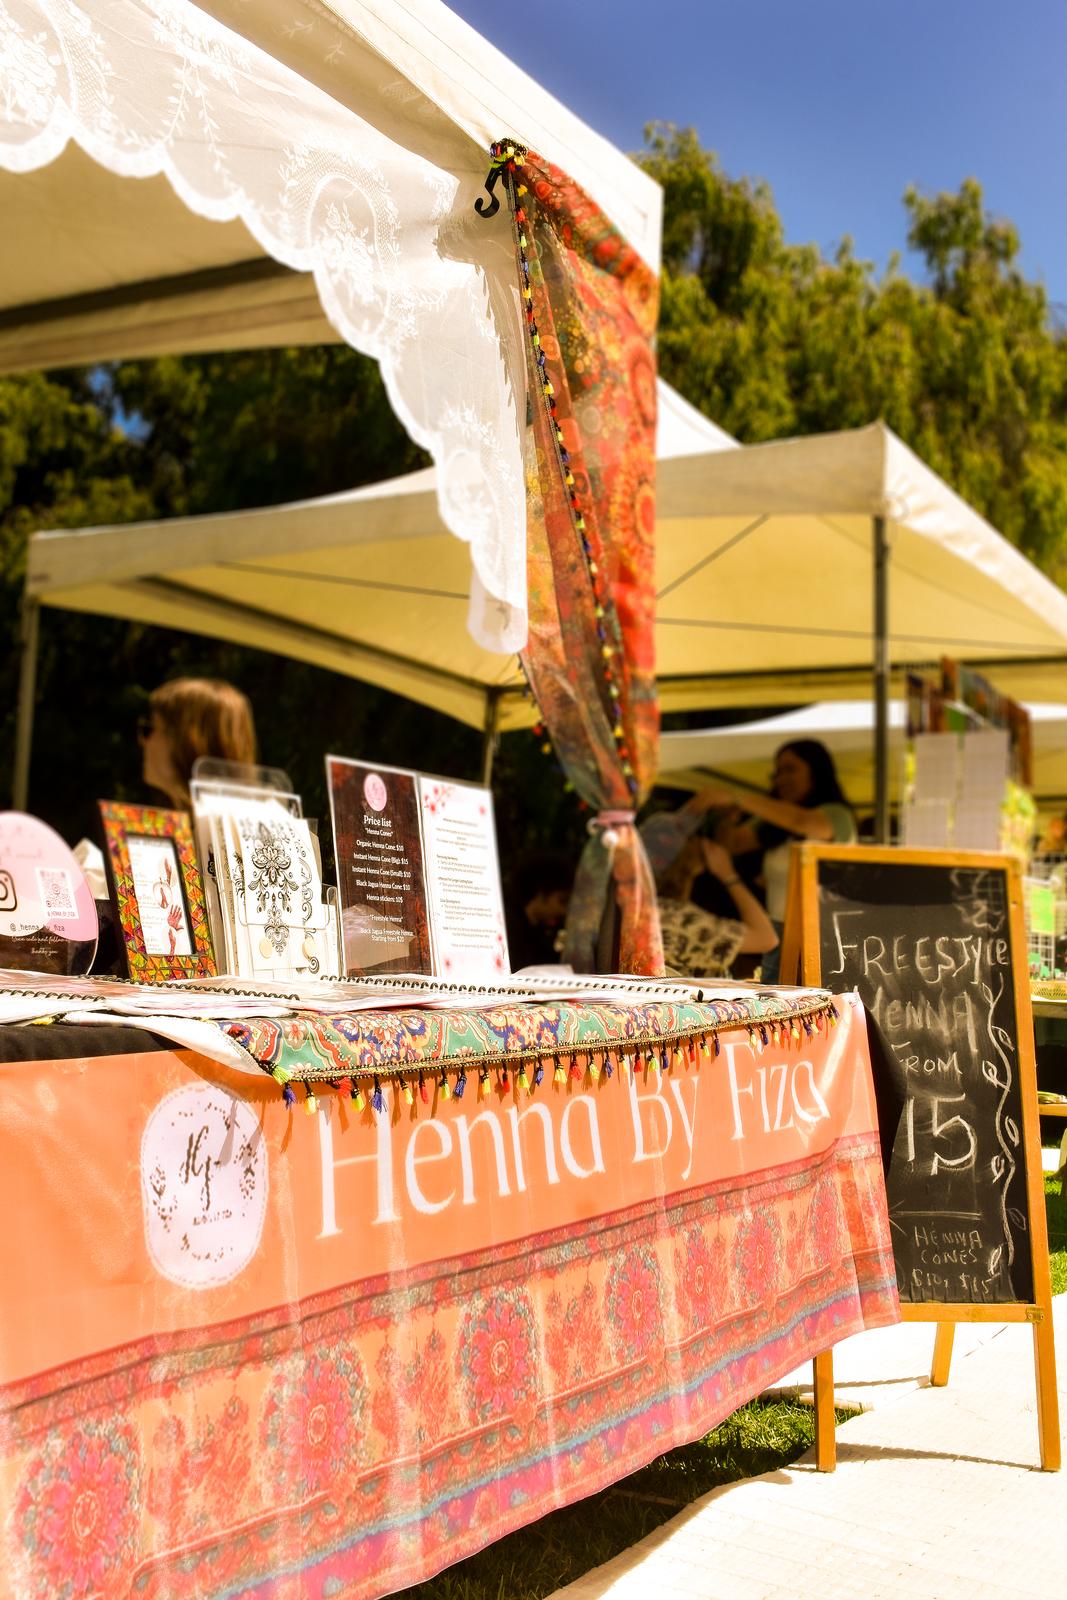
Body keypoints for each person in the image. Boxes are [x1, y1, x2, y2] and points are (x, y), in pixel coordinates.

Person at [698, 739, 857, 979]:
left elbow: (803, 822)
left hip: (825, 942)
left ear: (817, 772)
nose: (781, 779)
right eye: (778, 772)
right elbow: (733, 844)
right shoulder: (775, 822)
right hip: (776, 939)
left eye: (790, 769)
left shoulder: (837, 815)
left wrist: (737, 797)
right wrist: (729, 817)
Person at [642, 817, 778, 979]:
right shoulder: (682, 921)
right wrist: (728, 874)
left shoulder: (640, 911)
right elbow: (767, 938)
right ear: (694, 863)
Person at [139, 677, 258, 810]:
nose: (142, 741)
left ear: (186, 741)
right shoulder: (248, 815)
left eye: (148, 729)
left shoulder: (212, 820)